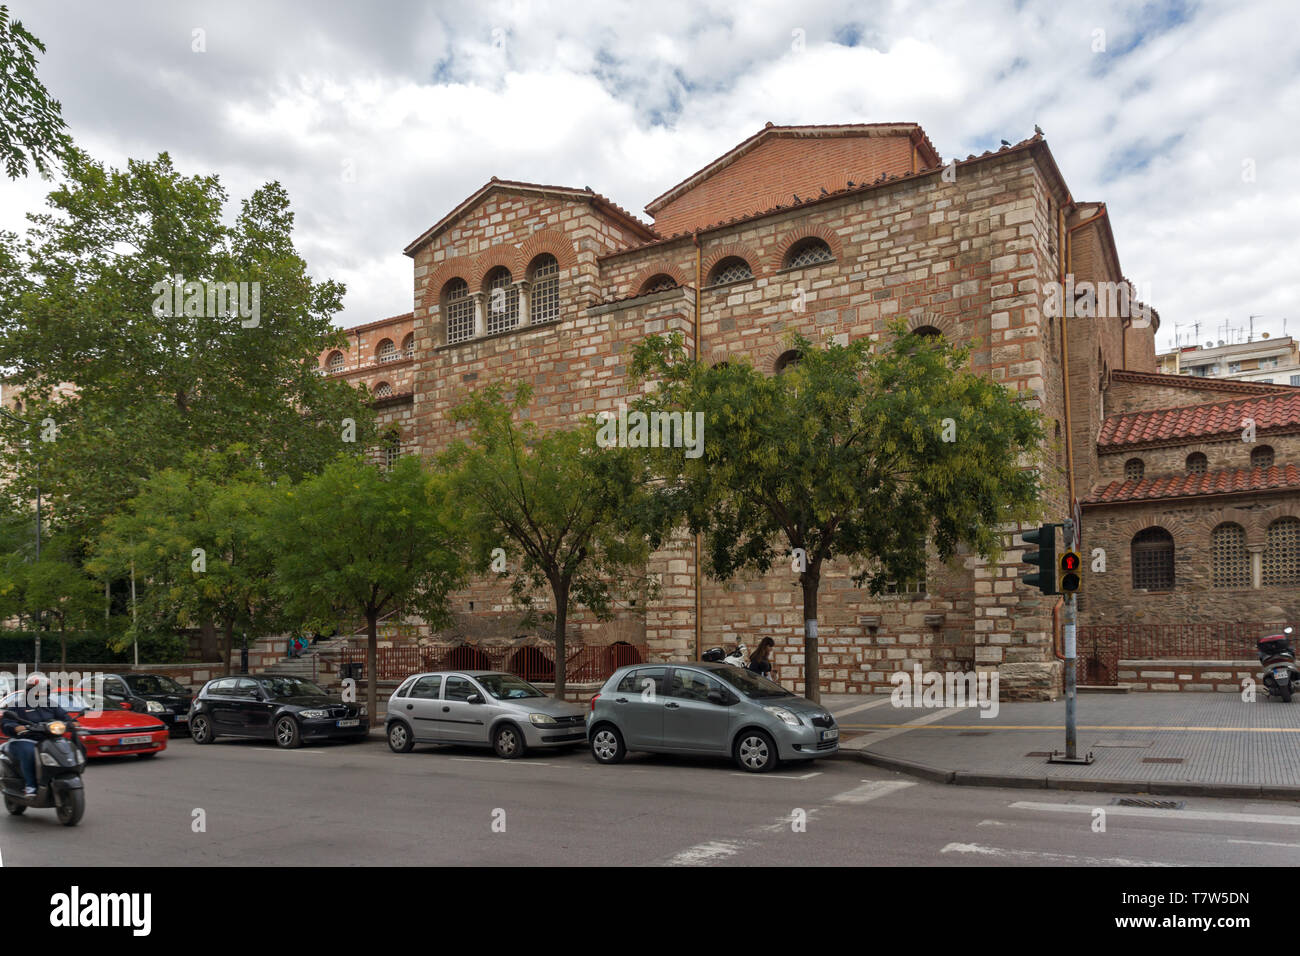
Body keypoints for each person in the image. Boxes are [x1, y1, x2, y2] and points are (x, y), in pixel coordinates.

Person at [2, 675, 74, 796]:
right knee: (29, 752)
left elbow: (64, 716)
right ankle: (30, 786)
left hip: (47, 739)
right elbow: (6, 721)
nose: (41, 692)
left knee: (68, 745)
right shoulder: (18, 705)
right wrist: (15, 727)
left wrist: (72, 722)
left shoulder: (51, 704)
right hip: (24, 740)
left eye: (44, 689)